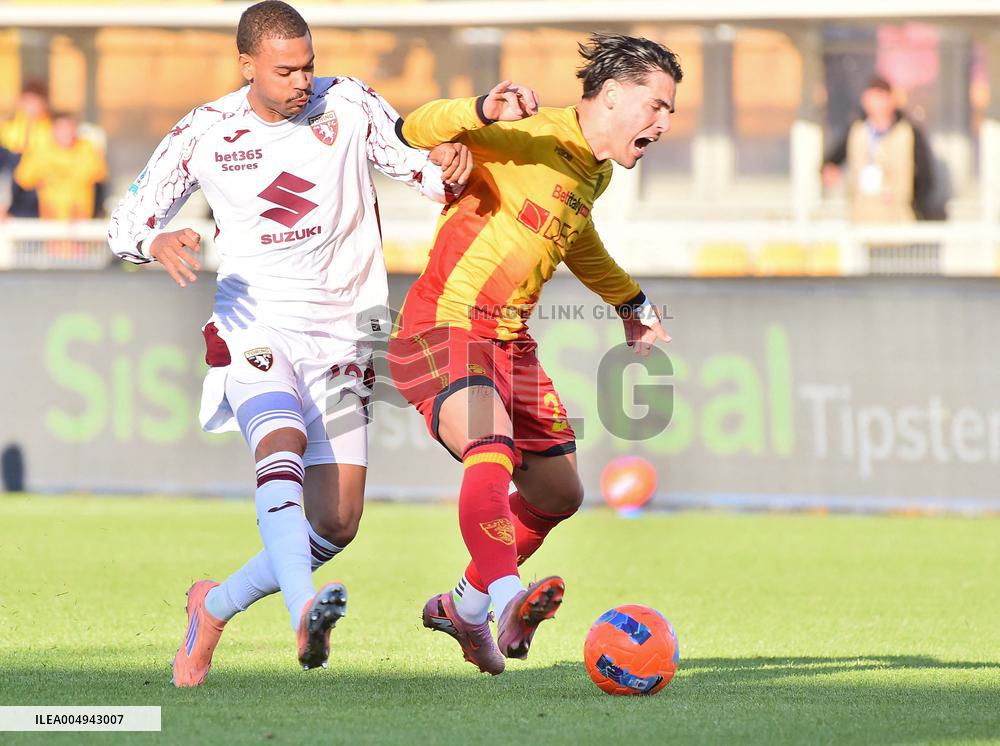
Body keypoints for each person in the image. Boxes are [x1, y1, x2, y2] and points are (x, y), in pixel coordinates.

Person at [108, 0, 472, 686]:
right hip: (256, 325)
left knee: (336, 523)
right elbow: (127, 218)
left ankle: (211, 607)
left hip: (344, 337)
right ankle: (305, 609)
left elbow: (420, 172)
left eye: (308, 65)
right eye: (285, 70)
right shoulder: (206, 131)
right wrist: (152, 240)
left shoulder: (350, 104)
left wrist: (451, 161)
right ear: (246, 65)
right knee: (280, 444)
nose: (303, 80)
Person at [387, 32, 678, 675]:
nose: (662, 123)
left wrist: (631, 303)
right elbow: (415, 126)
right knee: (490, 447)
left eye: (670, 112)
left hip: (508, 344)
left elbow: (579, 243)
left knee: (558, 492)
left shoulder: (593, 171)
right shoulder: (525, 132)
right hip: (443, 325)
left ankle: (463, 607)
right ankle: (504, 595)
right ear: (612, 94)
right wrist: (480, 113)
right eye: (655, 106)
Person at [822, 74, 938, 222]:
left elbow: (925, 177)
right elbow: (833, 160)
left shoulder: (908, 132)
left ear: (891, 100)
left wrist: (915, 205)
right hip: (862, 215)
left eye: (881, 98)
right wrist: (828, 169)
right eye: (872, 98)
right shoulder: (857, 131)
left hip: (896, 217)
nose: (877, 104)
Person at [14, 111, 107, 220]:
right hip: (49, 221)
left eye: (70, 128)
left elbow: (99, 176)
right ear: (53, 130)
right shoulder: (40, 150)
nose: (67, 133)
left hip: (80, 220)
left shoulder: (86, 148)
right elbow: (23, 180)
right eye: (62, 128)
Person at [0, 80, 51, 218]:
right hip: (14, 186)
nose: (31, 107)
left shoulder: (50, 130)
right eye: (28, 102)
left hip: (37, 189)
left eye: (35, 102)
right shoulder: (8, 127)